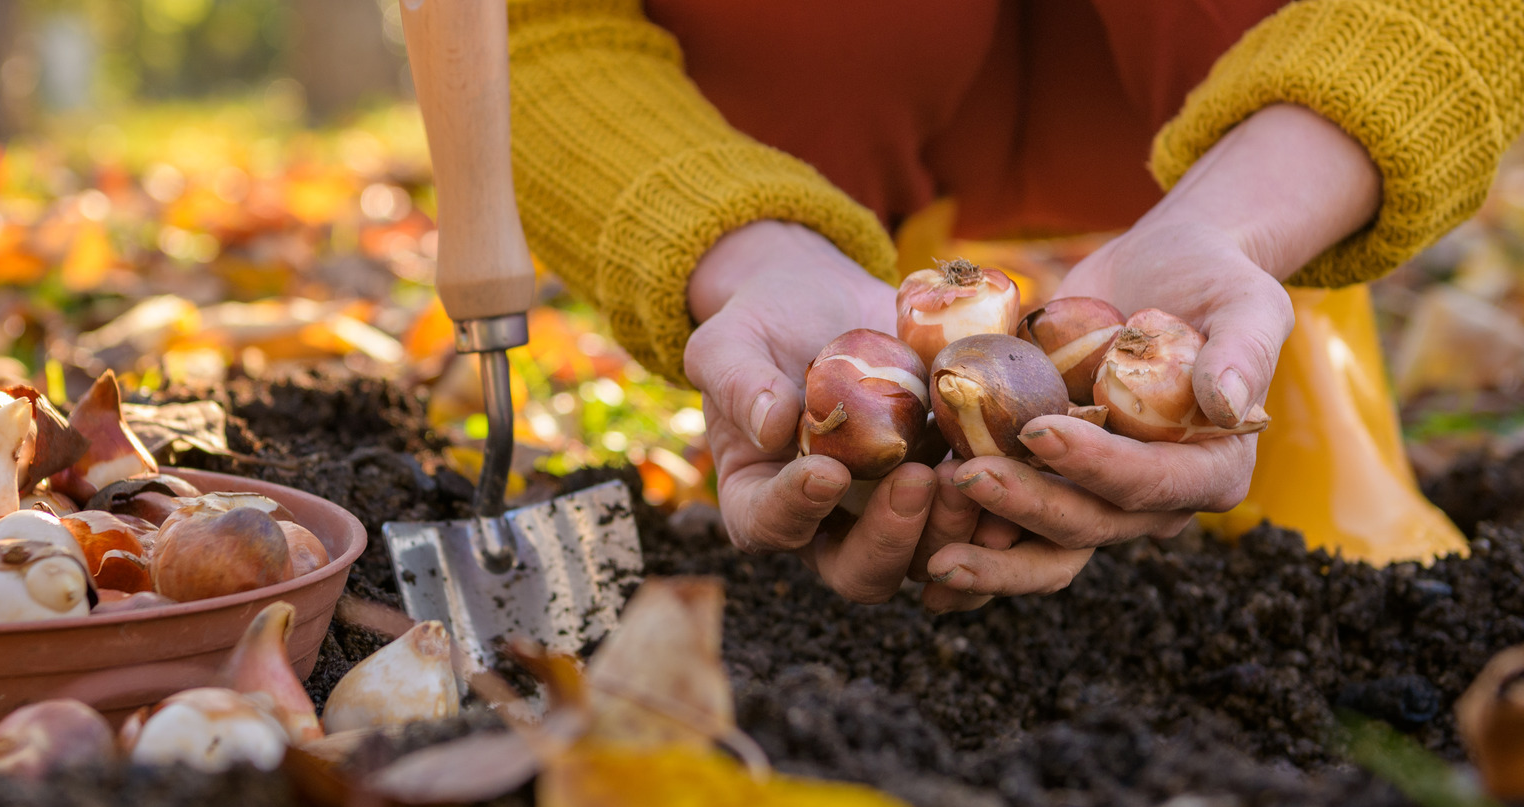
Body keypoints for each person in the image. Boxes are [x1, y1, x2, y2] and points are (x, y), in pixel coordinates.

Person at [504, 0, 1524, 608]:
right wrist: (745, 250)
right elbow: (539, 32)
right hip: (814, 105)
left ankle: (1283, 327)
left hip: (1194, 94)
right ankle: (848, 271)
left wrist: (1239, 225)